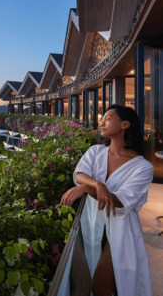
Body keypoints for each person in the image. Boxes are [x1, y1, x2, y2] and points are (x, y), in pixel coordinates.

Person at [61, 104, 154, 296]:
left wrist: (88, 187)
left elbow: (120, 201)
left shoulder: (143, 167)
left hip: (121, 229)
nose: (101, 122)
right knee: (88, 281)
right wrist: (97, 184)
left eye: (108, 118)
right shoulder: (96, 152)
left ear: (125, 124)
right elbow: (79, 173)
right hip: (91, 221)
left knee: (100, 286)